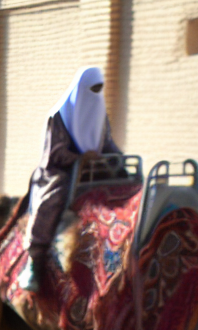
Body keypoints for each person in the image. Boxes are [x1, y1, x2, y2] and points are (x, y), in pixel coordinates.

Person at [19, 66, 123, 293]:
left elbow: (107, 144)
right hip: (61, 171)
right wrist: (80, 158)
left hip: (94, 171)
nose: (95, 94)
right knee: (53, 197)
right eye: (91, 89)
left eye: (99, 89)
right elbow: (53, 153)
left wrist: (118, 160)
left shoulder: (99, 114)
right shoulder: (58, 116)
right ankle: (34, 260)